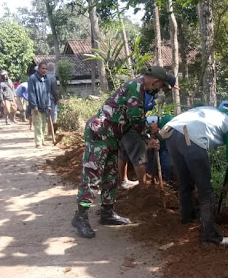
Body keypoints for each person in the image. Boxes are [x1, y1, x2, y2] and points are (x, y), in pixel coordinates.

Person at [71, 66, 174, 239]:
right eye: (159, 87)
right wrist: (150, 131)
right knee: (92, 176)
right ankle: (80, 217)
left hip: (112, 138)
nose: (157, 90)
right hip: (100, 134)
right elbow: (135, 119)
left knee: (110, 177)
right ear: (155, 81)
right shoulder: (136, 87)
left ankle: (107, 213)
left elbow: (133, 120)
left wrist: (148, 136)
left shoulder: (140, 88)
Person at [163, 101, 228, 245]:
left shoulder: (207, 111)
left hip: (172, 134)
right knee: (205, 191)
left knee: (185, 183)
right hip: (191, 139)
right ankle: (210, 235)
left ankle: (187, 217)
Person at [117, 92, 167, 189]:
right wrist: (149, 129)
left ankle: (123, 181)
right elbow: (139, 114)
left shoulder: (146, 92)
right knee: (139, 156)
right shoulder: (145, 93)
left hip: (124, 124)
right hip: (131, 125)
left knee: (124, 152)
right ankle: (143, 188)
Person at [27, 61, 53, 148]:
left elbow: (48, 93)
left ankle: (42, 140)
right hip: (36, 106)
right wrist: (34, 105)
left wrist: (49, 105)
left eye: (45, 69)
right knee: (38, 124)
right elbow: (31, 93)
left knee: (43, 124)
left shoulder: (46, 79)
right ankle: (38, 142)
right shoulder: (32, 78)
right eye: (42, 68)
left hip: (44, 105)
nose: (44, 70)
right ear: (38, 69)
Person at [146, 114, 173, 183]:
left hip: (165, 148)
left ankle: (166, 181)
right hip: (149, 150)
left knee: (167, 165)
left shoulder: (166, 120)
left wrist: (158, 135)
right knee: (150, 165)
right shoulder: (143, 126)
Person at [46, 63, 60, 134]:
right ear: (53, 69)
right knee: (53, 115)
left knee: (47, 116)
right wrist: (57, 99)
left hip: (44, 98)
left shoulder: (44, 76)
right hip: (51, 98)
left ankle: (49, 131)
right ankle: (52, 131)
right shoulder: (52, 77)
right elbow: (54, 90)